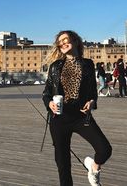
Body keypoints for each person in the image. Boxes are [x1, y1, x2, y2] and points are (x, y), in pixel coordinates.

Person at [42, 30, 112, 186]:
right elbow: (46, 94)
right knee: (63, 164)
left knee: (105, 149)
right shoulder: (55, 66)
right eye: (59, 42)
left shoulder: (87, 64)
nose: (62, 44)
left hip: (81, 116)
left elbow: (93, 92)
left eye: (65, 40)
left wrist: (92, 102)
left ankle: (93, 168)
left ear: (75, 40)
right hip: (59, 118)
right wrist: (49, 104)